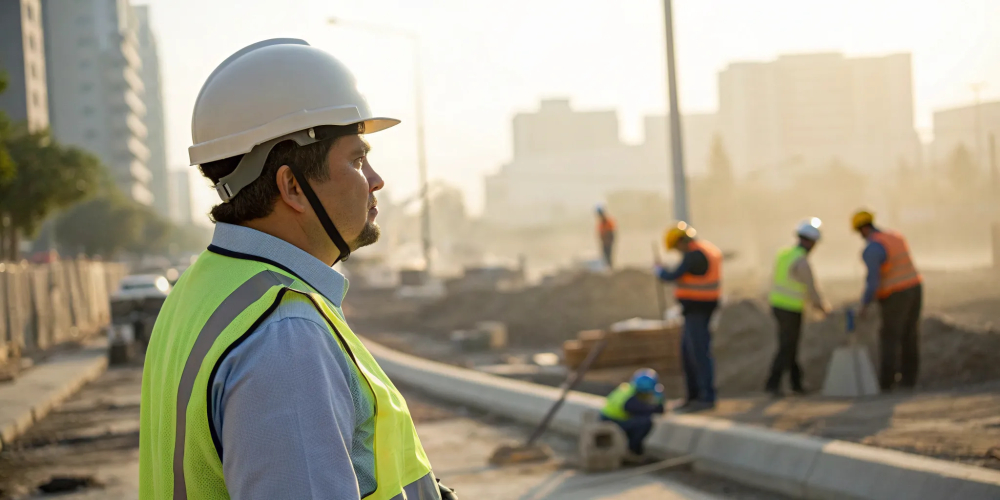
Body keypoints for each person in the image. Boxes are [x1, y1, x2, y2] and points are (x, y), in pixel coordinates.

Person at [138, 40, 456, 500]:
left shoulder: (201, 288)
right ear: (293, 186)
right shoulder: (285, 337)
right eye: (357, 159)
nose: (376, 180)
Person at [654, 222, 722, 413]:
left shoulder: (694, 255)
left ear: (682, 241)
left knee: (699, 354)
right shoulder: (704, 251)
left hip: (698, 311)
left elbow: (673, 274)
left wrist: (660, 271)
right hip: (696, 310)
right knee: (688, 353)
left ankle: (706, 396)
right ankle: (693, 396)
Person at [852, 210, 923, 391]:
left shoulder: (872, 249)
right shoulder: (894, 236)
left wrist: (865, 304)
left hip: (896, 294)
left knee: (889, 337)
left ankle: (886, 383)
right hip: (915, 288)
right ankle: (909, 381)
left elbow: (873, 281)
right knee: (910, 335)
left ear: (863, 229)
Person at [765, 218, 831, 397]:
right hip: (790, 308)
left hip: (778, 305)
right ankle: (773, 383)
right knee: (787, 346)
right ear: (810, 242)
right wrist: (822, 307)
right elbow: (811, 288)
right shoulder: (801, 261)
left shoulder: (785, 254)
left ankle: (796, 384)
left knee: (790, 345)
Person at [600, 368, 665, 461]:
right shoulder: (631, 399)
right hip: (611, 423)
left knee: (640, 420)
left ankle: (634, 450)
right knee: (645, 422)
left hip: (610, 419)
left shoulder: (628, 388)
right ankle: (633, 451)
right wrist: (657, 400)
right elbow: (655, 410)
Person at [595, 204, 617, 269]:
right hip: (604, 242)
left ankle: (610, 269)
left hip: (609, 242)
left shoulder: (608, 222)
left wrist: (609, 241)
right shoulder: (601, 224)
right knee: (604, 256)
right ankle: (606, 268)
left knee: (609, 256)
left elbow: (612, 233)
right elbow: (600, 234)